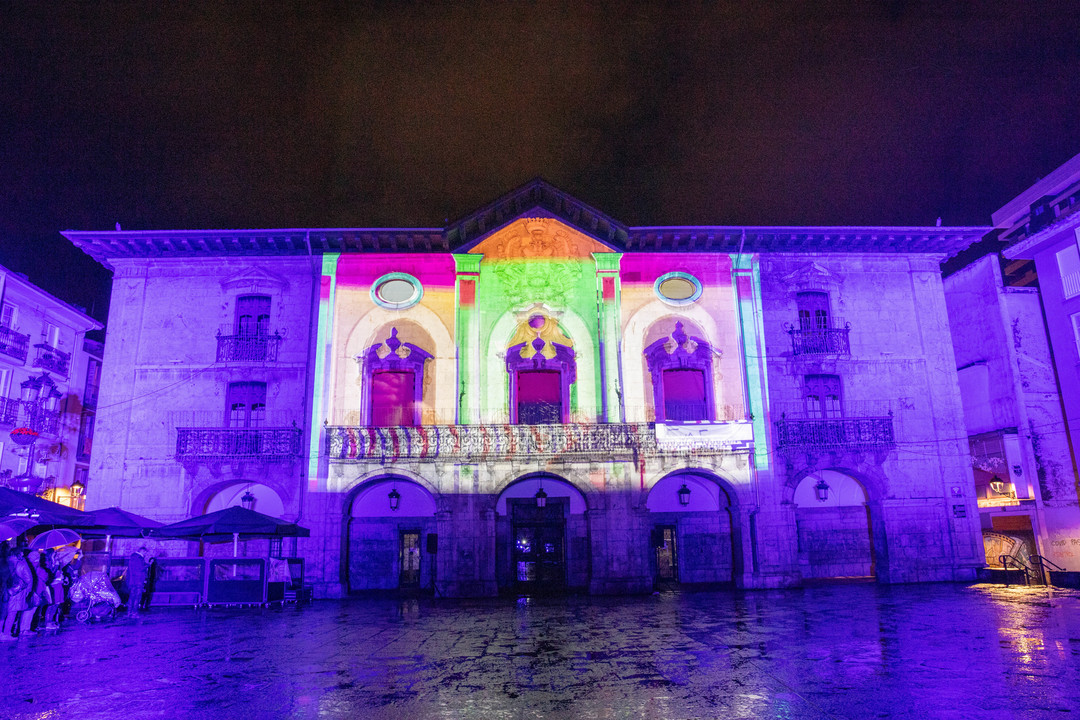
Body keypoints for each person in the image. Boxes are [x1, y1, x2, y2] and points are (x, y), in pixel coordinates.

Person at [127, 547, 149, 616]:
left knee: (132, 596)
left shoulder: (133, 557)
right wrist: (148, 565)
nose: (145, 554)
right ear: (142, 551)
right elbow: (141, 568)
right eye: (145, 552)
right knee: (138, 596)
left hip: (133, 580)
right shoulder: (139, 558)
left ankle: (129, 612)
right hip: (139, 580)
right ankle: (134, 612)